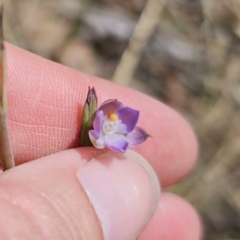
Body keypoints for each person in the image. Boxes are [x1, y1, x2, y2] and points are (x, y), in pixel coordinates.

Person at [0, 43, 202, 240]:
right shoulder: (98, 133)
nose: (111, 121)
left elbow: (135, 136)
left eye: (112, 117)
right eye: (108, 117)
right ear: (99, 116)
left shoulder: (121, 137)